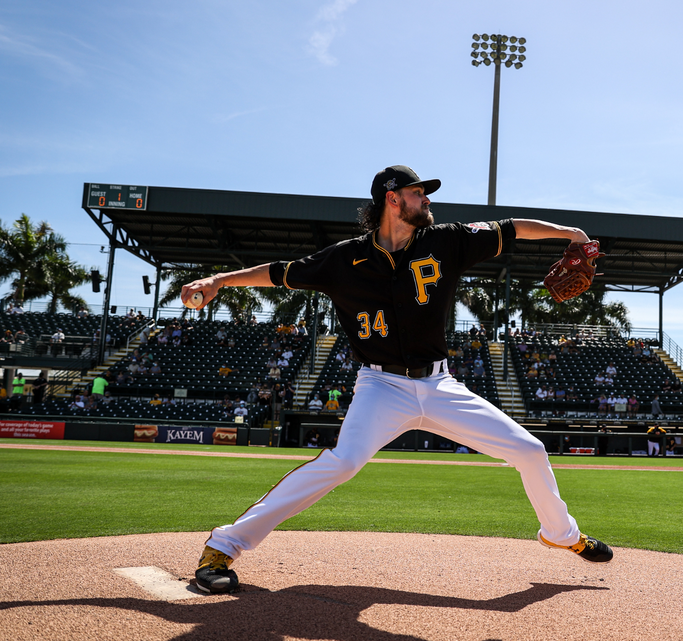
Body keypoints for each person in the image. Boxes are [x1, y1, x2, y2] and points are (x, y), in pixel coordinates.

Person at [182, 165, 612, 594]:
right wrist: (219, 280)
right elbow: (280, 272)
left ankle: (561, 533)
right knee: (344, 462)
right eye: (417, 192)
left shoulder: (448, 239)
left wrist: (571, 232)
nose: (427, 199)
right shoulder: (343, 258)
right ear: (392, 199)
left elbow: (513, 227)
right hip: (381, 386)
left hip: (439, 385)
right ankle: (223, 546)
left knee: (530, 451)